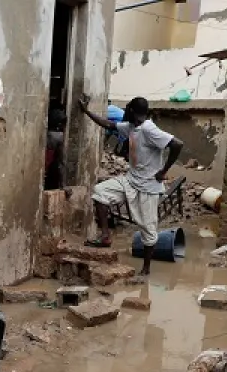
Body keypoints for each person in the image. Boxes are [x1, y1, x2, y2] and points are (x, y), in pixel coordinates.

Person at [78, 95, 182, 274]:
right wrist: (87, 112)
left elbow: (177, 144)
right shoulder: (132, 127)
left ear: (132, 111)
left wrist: (163, 171)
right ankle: (105, 237)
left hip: (148, 187)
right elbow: (109, 124)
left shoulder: (149, 129)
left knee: (148, 230)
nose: (125, 111)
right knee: (100, 192)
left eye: (127, 109)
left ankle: (146, 269)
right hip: (130, 180)